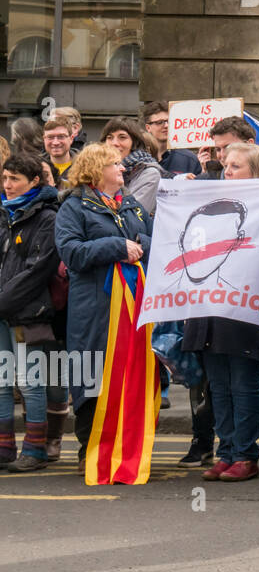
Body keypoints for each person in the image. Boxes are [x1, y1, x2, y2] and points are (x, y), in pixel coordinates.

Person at [53, 143, 152, 470]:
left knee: (128, 374)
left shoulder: (132, 204)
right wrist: (115, 246)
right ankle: (90, 449)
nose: (122, 169)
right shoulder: (74, 207)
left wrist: (138, 245)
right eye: (115, 164)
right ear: (96, 171)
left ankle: (126, 445)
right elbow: (71, 253)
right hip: (94, 307)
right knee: (91, 373)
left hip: (133, 307)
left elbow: (156, 240)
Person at [181, 143, 259, 483]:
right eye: (226, 166)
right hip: (208, 308)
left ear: (255, 170)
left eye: (236, 166)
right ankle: (226, 451)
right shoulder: (210, 204)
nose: (228, 172)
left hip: (244, 308)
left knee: (243, 383)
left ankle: (246, 455)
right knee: (218, 385)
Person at [0, 152, 62, 472]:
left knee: (29, 380)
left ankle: (35, 449)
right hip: (4, 310)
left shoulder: (48, 216)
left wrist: (2, 301)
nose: (8, 185)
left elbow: (37, 270)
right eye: (5, 178)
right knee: (1, 379)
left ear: (34, 182)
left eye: (15, 180)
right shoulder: (4, 212)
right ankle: (5, 448)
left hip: (28, 312)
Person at [100, 117, 163, 215]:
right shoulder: (96, 168)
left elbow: (133, 216)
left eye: (122, 137)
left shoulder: (149, 174)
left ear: (134, 142)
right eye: (110, 137)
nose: (115, 143)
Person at [140, 101, 202, 176]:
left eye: (169, 121)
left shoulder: (189, 159)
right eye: (159, 122)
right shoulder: (138, 158)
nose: (166, 125)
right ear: (148, 127)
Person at [42, 115, 77, 186]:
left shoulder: (84, 167)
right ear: (44, 139)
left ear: (71, 138)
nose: (55, 142)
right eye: (50, 137)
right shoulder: (35, 167)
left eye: (61, 137)